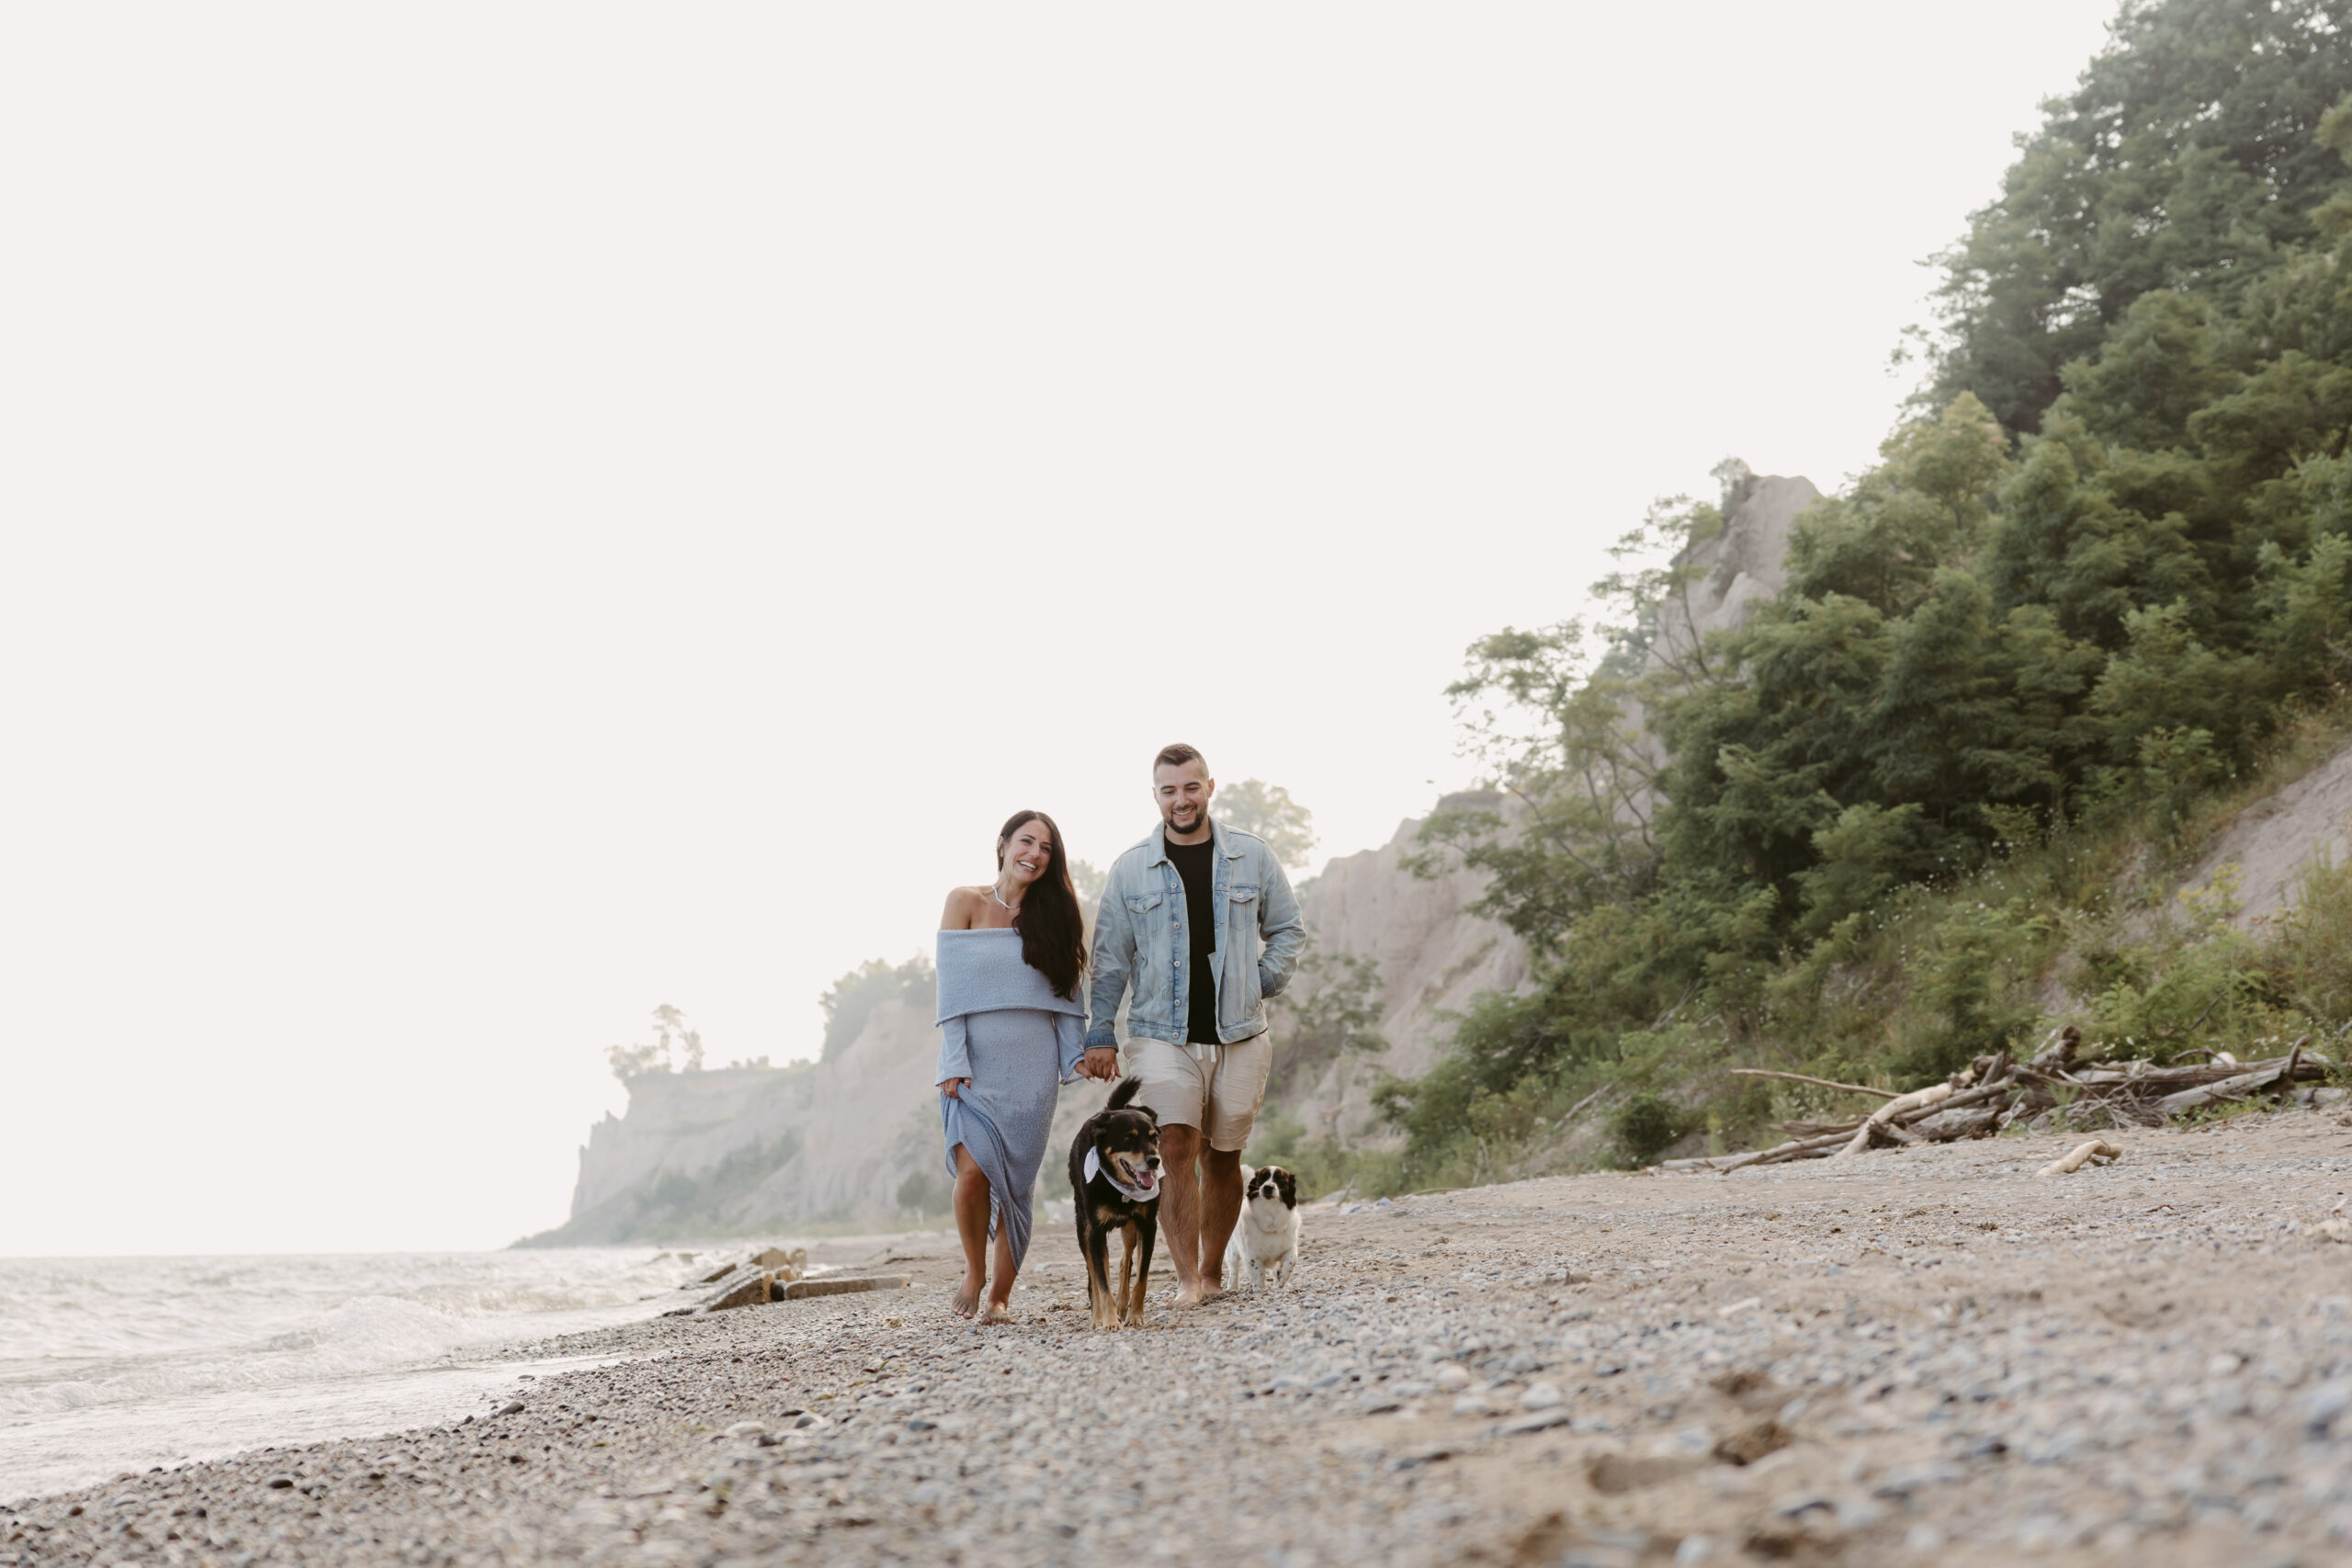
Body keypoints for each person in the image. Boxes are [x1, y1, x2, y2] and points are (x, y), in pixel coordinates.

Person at [1083, 743, 1305, 1306]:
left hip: (1240, 1032)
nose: (1180, 800)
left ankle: (1210, 1274)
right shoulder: (1131, 868)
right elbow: (1110, 959)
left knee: (1223, 1155)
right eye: (1169, 790)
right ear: (1155, 795)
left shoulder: (1252, 856)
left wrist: (1260, 981)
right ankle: (1186, 1280)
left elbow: (1288, 928)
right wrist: (1100, 1031)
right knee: (1177, 1142)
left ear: (1209, 787)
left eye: (1190, 787)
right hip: (1161, 1033)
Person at [936, 809, 1115, 1324]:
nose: (1035, 854)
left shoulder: (1056, 917)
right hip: (973, 1066)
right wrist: (954, 1057)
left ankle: (999, 1298)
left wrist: (1076, 1057)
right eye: (1026, 841)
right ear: (1003, 844)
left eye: (1046, 848)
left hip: (1032, 1074)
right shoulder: (964, 902)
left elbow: (1067, 1001)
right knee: (972, 1174)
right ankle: (974, 1272)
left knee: (1015, 1186)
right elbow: (952, 993)